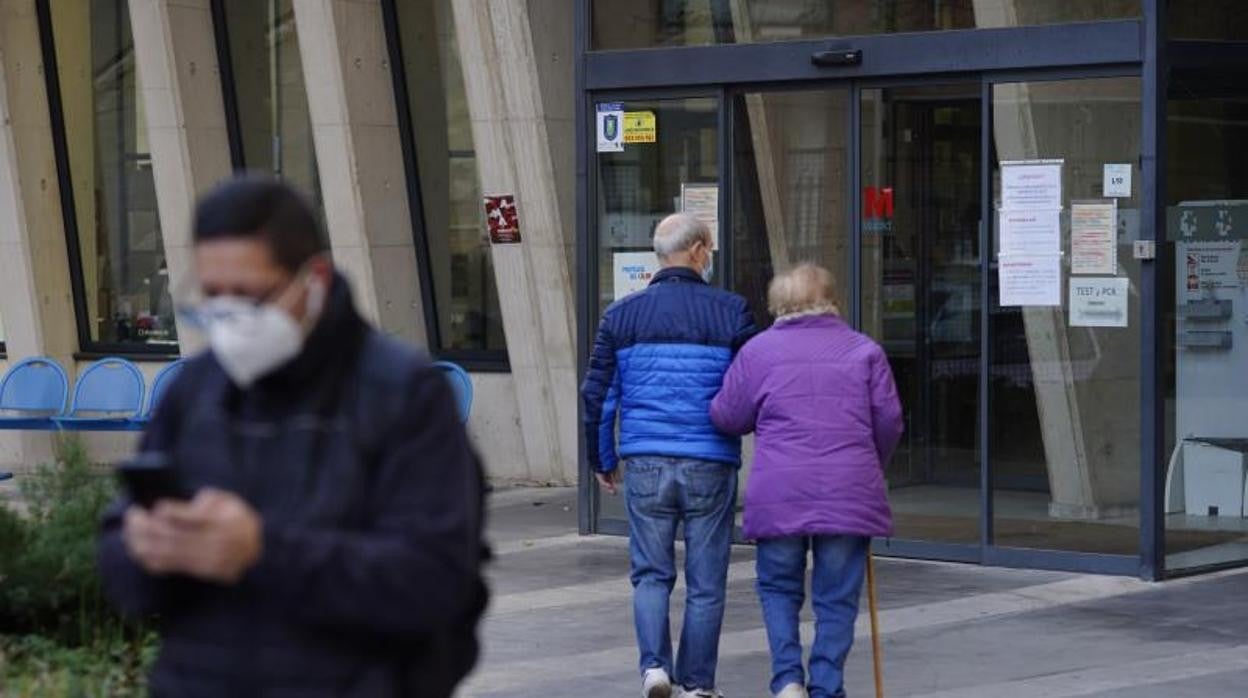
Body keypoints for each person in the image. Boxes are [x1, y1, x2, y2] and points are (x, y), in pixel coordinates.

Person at [98, 176, 488, 697]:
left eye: (251, 295)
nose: (230, 316)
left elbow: (435, 581)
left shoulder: (402, 393)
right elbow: (119, 556)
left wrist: (261, 552)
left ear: (315, 278)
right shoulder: (194, 390)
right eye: (214, 296)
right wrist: (141, 549)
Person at [582, 213, 755, 698]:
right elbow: (750, 387)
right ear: (699, 250)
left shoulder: (621, 316)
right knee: (706, 580)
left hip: (646, 461)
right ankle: (698, 685)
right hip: (710, 461)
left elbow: (597, 395)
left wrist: (602, 459)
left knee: (651, 574)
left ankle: (655, 670)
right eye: (711, 248)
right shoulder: (733, 311)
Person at [710, 263, 903, 698]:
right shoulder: (864, 351)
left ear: (779, 303)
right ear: (831, 298)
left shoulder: (758, 352)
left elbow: (727, 416)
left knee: (778, 588)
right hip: (849, 490)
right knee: (837, 597)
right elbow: (889, 422)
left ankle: (787, 679)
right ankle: (827, 686)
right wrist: (874, 466)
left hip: (779, 491)